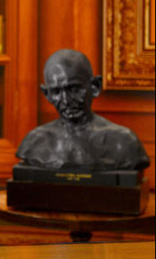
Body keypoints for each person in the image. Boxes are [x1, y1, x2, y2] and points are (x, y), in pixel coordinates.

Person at [16, 49, 149, 171]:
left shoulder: (124, 142)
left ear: (95, 86)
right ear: (47, 94)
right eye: (56, 92)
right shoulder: (35, 142)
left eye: (74, 89)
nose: (66, 100)